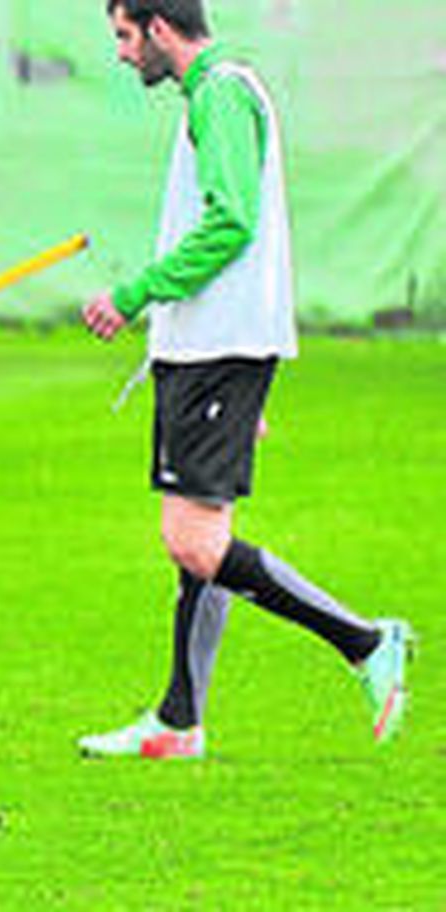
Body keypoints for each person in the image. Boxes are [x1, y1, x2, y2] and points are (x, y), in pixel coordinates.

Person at [78, 0, 415, 759]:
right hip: (209, 350)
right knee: (197, 542)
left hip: (217, 351)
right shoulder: (216, 95)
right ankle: (177, 720)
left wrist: (134, 294)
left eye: (126, 37)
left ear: (160, 28)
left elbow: (232, 221)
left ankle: (366, 641)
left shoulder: (222, 94)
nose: (123, 54)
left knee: (195, 542)